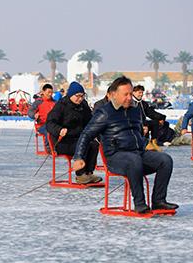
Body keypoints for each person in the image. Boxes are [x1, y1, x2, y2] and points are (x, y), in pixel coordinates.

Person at [72, 76, 178, 214]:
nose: (129, 97)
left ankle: (158, 201)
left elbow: (138, 132)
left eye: (130, 93)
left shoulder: (135, 111)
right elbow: (86, 134)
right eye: (125, 94)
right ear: (114, 95)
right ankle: (139, 203)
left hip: (138, 154)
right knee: (133, 160)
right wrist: (79, 157)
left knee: (165, 160)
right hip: (116, 158)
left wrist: (145, 142)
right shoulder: (104, 113)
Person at [46, 82, 102, 184]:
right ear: (71, 94)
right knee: (82, 145)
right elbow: (49, 123)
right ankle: (80, 175)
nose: (80, 99)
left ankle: (88, 173)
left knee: (93, 144)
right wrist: (59, 129)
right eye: (78, 96)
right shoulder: (61, 105)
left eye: (82, 96)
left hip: (78, 138)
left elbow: (90, 121)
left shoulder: (83, 105)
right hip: (63, 141)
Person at [132, 85, 167, 152]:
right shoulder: (130, 103)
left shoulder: (143, 103)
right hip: (134, 123)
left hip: (143, 122)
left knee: (155, 122)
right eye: (139, 92)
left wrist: (161, 118)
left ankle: (153, 142)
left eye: (142, 93)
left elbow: (150, 113)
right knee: (145, 124)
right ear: (133, 92)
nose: (141, 94)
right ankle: (146, 143)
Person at [28, 84, 56, 150]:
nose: (50, 94)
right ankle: (48, 147)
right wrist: (34, 115)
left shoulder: (55, 102)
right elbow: (30, 111)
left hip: (53, 124)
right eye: (48, 92)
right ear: (43, 92)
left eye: (51, 92)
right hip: (42, 125)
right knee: (49, 129)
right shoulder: (38, 102)